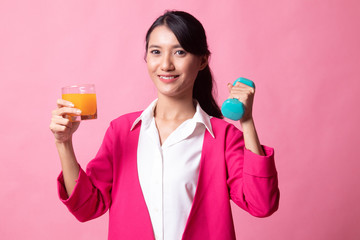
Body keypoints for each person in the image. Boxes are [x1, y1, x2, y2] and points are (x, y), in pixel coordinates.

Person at [50, 10, 279, 240]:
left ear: (202, 61)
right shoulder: (120, 132)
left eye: (179, 52)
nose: (166, 64)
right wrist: (64, 143)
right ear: (147, 59)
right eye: (156, 52)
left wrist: (246, 121)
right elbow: (88, 207)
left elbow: (261, 204)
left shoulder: (224, 137)